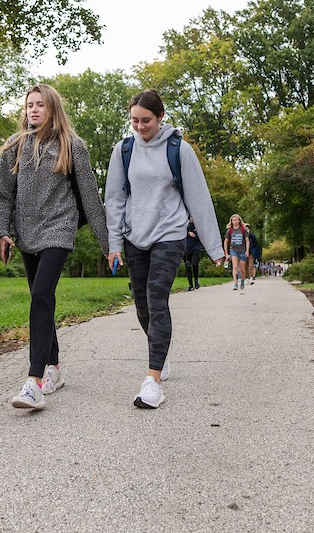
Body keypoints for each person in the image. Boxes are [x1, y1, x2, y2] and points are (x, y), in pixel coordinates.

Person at [105, 89, 223, 409]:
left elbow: (198, 197)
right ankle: (161, 354)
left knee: (157, 297)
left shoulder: (178, 149)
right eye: (134, 120)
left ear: (160, 118)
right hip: (134, 236)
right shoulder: (124, 149)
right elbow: (114, 199)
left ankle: (152, 380)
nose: (140, 126)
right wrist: (114, 243)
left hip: (170, 233)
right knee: (142, 304)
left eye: (146, 120)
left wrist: (214, 247)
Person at [0, 84, 108, 411]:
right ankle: (54, 368)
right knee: (40, 298)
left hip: (58, 227)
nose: (33, 110)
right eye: (29, 104)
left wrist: (107, 243)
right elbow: (3, 195)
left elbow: (90, 198)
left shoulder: (73, 146)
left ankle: (33, 382)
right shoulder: (15, 147)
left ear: (52, 108)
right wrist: (4, 231)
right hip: (27, 232)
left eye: (40, 105)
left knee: (42, 294)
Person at [224, 214, 250, 291]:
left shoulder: (243, 230)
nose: (235, 221)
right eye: (233, 220)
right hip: (233, 250)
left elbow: (247, 240)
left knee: (242, 269)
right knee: (235, 266)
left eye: (236, 220)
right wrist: (226, 252)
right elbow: (226, 241)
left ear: (239, 221)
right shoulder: (230, 231)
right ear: (231, 221)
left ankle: (242, 280)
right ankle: (235, 283)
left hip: (242, 250)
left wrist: (247, 250)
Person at [183, 216, 203, 291]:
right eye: (190, 217)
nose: (191, 218)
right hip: (186, 249)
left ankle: (196, 280)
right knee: (188, 266)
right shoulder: (184, 226)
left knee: (194, 264)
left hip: (195, 248)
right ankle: (190, 285)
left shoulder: (197, 226)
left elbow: (202, 237)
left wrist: (195, 236)